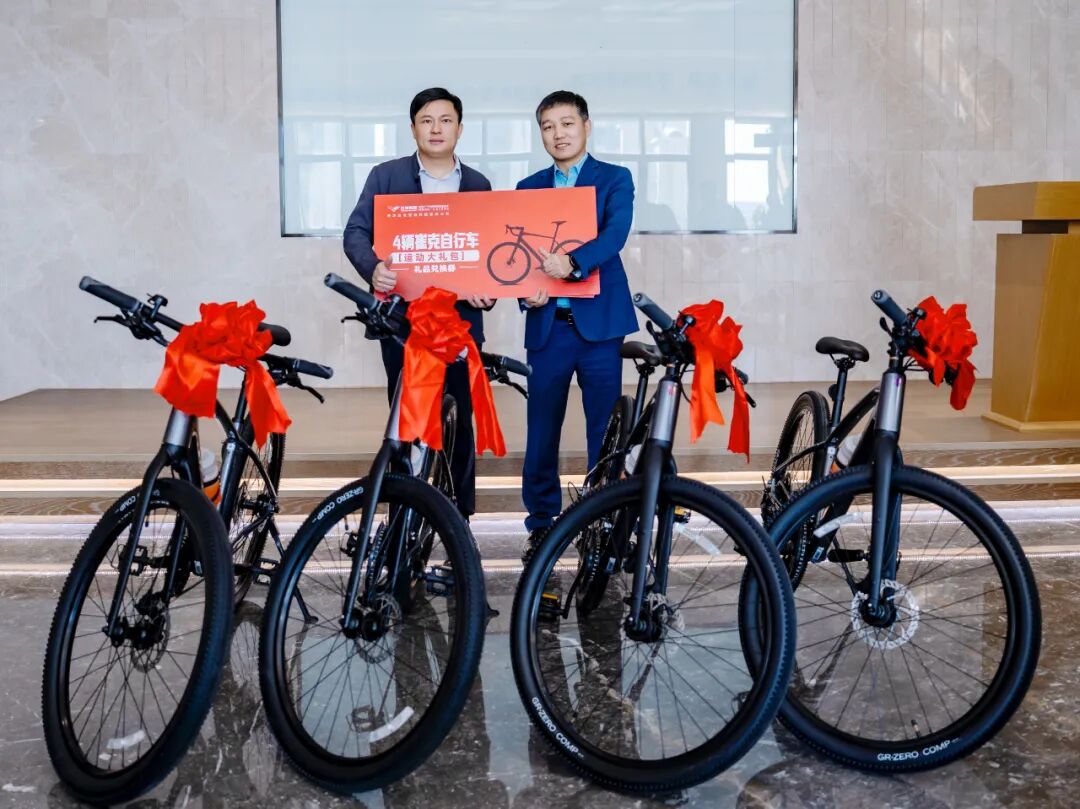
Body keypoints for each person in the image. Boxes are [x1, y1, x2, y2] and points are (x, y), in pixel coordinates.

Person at [343, 87, 493, 519]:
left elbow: (487, 250)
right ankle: (402, 522)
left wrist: (486, 290)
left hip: (459, 322)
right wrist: (373, 268)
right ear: (413, 128)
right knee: (405, 421)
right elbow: (356, 232)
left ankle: (459, 519)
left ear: (460, 129)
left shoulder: (478, 184)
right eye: (427, 120)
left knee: (459, 420)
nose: (436, 128)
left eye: (446, 120)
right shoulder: (386, 177)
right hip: (403, 322)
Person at [517, 91, 638, 559]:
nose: (558, 134)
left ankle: (603, 523)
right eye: (548, 126)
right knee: (541, 430)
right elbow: (520, 259)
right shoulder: (528, 188)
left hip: (600, 328)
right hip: (548, 326)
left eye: (567, 123)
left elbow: (615, 235)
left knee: (604, 431)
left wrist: (573, 262)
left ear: (586, 126)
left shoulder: (614, 178)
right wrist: (525, 290)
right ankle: (540, 523)